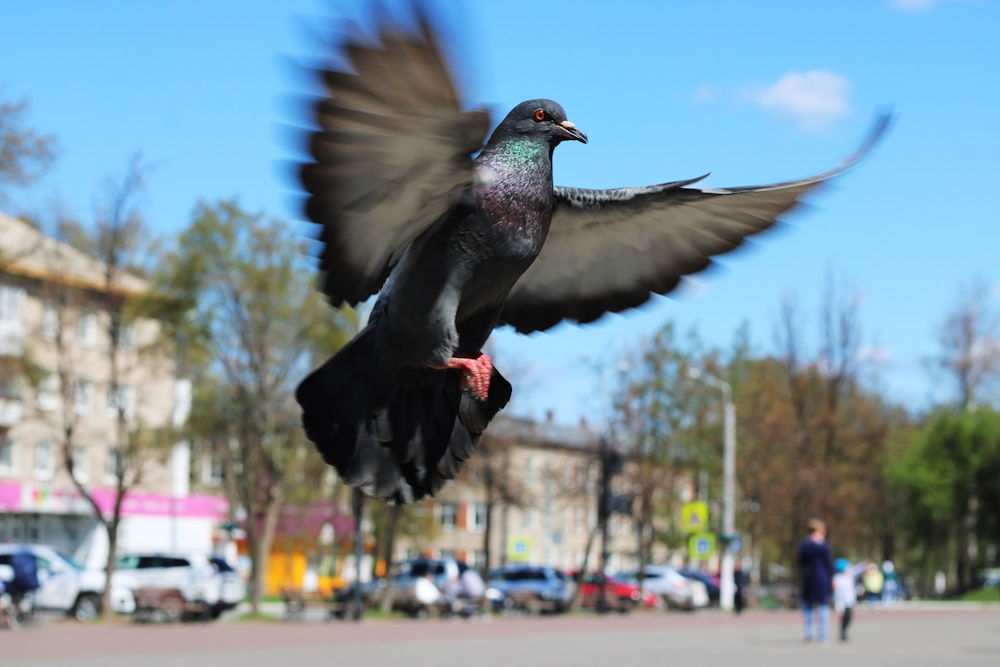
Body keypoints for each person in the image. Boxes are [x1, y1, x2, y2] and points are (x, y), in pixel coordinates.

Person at [798, 518, 834, 644]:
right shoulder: (824, 545)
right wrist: (832, 579)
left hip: (808, 577)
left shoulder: (805, 545)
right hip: (822, 578)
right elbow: (829, 564)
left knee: (808, 606)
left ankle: (809, 634)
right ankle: (823, 635)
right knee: (823, 605)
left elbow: (801, 562)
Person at [832, 558, 858, 642]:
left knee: (849, 617)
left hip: (849, 601)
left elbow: (857, 570)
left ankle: (844, 632)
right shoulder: (836, 578)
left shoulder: (849, 576)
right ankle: (842, 633)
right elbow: (835, 590)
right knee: (844, 617)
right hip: (841, 602)